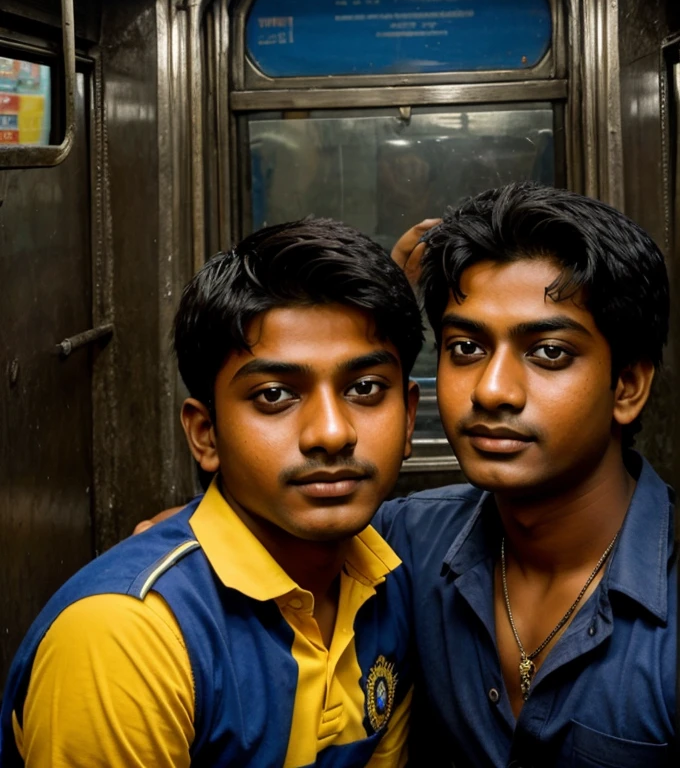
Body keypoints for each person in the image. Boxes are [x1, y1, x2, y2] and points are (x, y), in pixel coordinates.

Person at [0, 219, 423, 768]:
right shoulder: (127, 636)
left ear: (409, 417)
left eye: (365, 389)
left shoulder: (387, 582)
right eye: (274, 395)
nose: (332, 432)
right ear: (206, 434)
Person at [378, 182, 676, 766]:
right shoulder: (404, 543)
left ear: (627, 386)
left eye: (549, 353)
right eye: (465, 348)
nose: (491, 391)